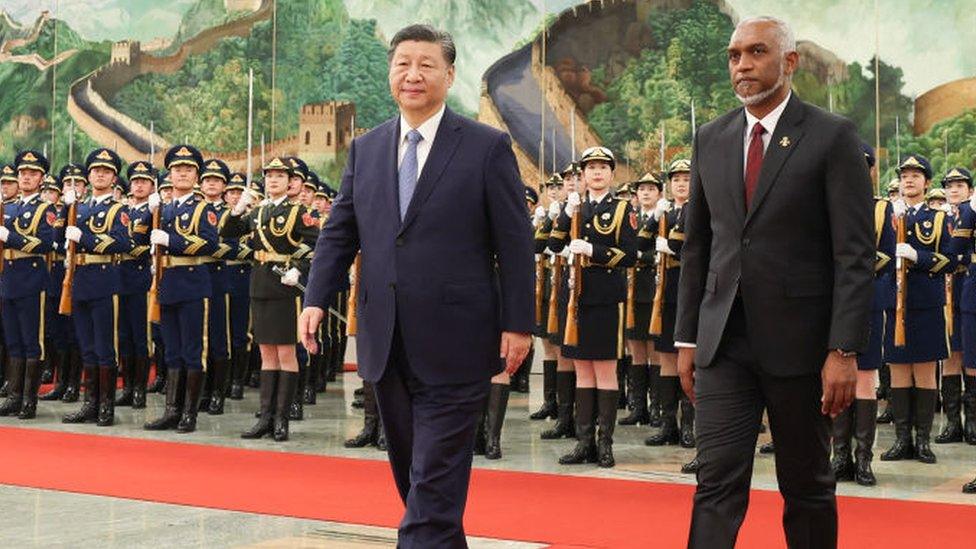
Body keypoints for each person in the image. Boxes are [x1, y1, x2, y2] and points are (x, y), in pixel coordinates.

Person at [299, 24, 533, 547]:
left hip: (458, 340)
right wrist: (316, 297)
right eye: (403, 63)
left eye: (426, 64)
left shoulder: (486, 146)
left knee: (432, 484)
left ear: (449, 75)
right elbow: (340, 231)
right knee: (419, 483)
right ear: (390, 73)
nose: (413, 74)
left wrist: (518, 323)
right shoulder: (368, 148)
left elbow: (515, 244)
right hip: (385, 339)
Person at [674, 17, 874, 548]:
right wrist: (688, 337)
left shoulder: (832, 137)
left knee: (806, 485)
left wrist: (844, 350)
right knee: (714, 482)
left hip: (802, 349)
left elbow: (854, 254)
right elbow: (699, 246)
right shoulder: (711, 138)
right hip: (723, 346)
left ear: (789, 62)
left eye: (756, 52)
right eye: (734, 55)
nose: (742, 65)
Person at [547, 146, 638, 468]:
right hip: (576, 300)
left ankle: (605, 444)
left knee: (605, 370)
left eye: (602, 167)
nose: (596, 173)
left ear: (612, 174)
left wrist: (593, 250)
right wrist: (564, 213)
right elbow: (554, 244)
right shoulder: (575, 208)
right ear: (582, 176)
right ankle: (583, 442)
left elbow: (629, 255)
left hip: (604, 298)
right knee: (582, 371)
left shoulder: (622, 209)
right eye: (591, 168)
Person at [221, 157, 318, 441]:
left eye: (280, 176)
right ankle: (265, 417)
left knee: (286, 353)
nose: (273, 180)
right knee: (266, 354)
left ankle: (281, 420)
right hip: (260, 284)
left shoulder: (299, 212)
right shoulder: (259, 211)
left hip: (284, 288)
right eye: (269, 176)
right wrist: (237, 210)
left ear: (291, 182)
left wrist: (298, 270)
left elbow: (318, 245)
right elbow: (227, 233)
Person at [881, 155, 961, 465]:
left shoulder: (939, 218)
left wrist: (919, 257)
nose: (909, 180)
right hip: (895, 303)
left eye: (916, 175)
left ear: (927, 183)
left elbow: (951, 261)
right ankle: (903, 440)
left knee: (925, 374)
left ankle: (923, 441)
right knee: (899, 374)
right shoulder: (887, 217)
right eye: (904, 176)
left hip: (926, 304)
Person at [143, 145, 219, 434]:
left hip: (192, 282)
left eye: (188, 169)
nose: (183, 173)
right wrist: (145, 215)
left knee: (192, 350)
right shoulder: (163, 208)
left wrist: (171, 240)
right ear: (170, 175)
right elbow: (140, 236)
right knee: (171, 350)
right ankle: (171, 411)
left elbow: (210, 244)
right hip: (168, 283)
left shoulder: (203, 208)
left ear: (196, 176)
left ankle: (189, 413)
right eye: (177, 169)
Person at [830, 144, 892, 487]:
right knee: (836, 377)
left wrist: (852, 264)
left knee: (866, 377)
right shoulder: (828, 203)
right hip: (834, 300)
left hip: (868, 298)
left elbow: (887, 255)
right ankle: (839, 454)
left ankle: (863, 457)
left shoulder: (881, 209)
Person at [60, 148, 132, 426]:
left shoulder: (118, 209)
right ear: (88, 176)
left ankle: (106, 407)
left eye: (106, 171)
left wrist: (86, 238)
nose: (100, 174)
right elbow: (60, 238)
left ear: (114, 177)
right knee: (86, 345)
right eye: (95, 171)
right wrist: (66, 211)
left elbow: (124, 243)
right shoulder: (81, 207)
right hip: (80, 279)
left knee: (105, 346)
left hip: (104, 278)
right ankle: (90, 403)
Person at [0, 150, 56, 419]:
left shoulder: (45, 209)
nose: (25, 177)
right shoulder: (9, 207)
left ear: (41, 178)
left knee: (31, 341)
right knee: (13, 341)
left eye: (32, 174)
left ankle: (29, 400)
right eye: (22, 173)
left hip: (31, 277)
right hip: (8, 277)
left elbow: (45, 244)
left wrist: (10, 236)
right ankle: (14, 396)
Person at [619, 173, 662, 427]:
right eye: (642, 189)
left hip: (655, 290)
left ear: (659, 193)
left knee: (655, 352)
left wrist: (643, 257)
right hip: (632, 291)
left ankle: (656, 406)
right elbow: (626, 248)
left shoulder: (664, 217)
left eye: (651, 189)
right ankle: (638, 407)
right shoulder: (631, 219)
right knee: (636, 350)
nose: (646, 193)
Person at [939, 167, 973, 444]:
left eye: (960, 185)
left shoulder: (970, 213)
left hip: (967, 284)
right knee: (951, 354)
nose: (954, 189)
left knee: (971, 354)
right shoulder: (939, 217)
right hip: (945, 289)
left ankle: (971, 421)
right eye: (949, 185)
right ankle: (953, 423)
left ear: (969, 190)